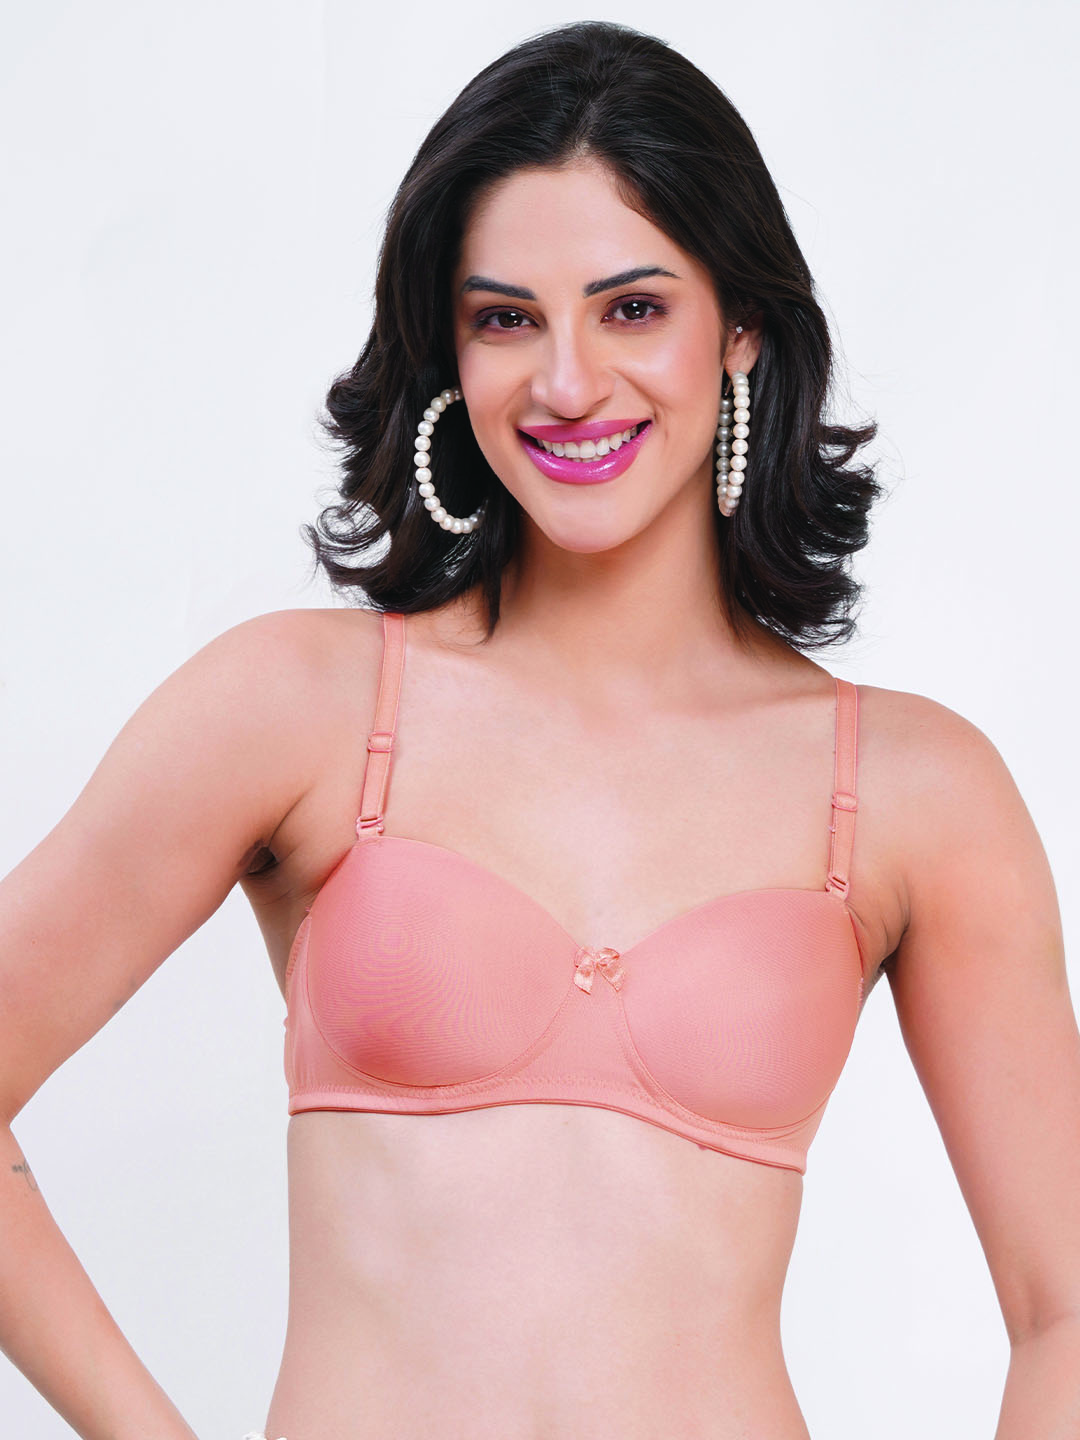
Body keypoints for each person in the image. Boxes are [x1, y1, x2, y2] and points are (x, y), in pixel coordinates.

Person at [2, 18, 1077, 1440]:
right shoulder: (298, 708)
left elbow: (1063, 1308)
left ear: (740, 326)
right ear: (449, 348)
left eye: (632, 309)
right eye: (507, 318)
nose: (568, 384)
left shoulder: (913, 790)